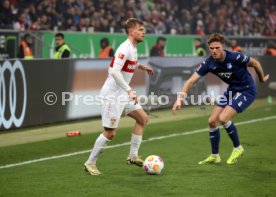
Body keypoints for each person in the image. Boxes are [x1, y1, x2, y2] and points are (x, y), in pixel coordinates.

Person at [172, 33, 269, 165]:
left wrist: (262, 79)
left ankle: (238, 148)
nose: (214, 51)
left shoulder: (235, 57)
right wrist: (179, 99)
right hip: (232, 90)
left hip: (247, 90)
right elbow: (190, 81)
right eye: (211, 48)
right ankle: (215, 156)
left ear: (223, 46)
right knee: (212, 121)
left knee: (223, 118)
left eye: (217, 47)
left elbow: (256, 63)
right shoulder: (208, 63)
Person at [84, 18, 154, 175]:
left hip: (123, 94)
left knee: (143, 119)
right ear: (131, 32)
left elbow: (127, 64)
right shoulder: (124, 48)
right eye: (140, 29)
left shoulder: (133, 48)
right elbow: (114, 71)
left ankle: (132, 155)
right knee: (110, 133)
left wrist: (140, 66)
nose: (144, 32)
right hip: (113, 95)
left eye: (144, 30)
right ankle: (90, 163)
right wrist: (130, 90)